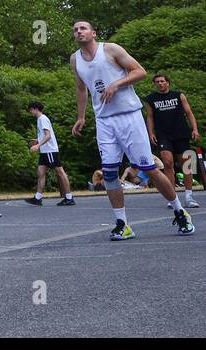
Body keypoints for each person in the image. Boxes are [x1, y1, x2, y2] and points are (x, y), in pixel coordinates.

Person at [70, 20, 194, 240]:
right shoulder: (75, 59)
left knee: (150, 169)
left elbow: (140, 72)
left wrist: (116, 84)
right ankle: (123, 223)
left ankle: (179, 210)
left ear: (93, 33)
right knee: (108, 172)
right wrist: (81, 117)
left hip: (129, 117)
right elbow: (81, 89)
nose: (78, 31)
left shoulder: (110, 49)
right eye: (75, 30)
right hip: (104, 121)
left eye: (82, 28)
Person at [143, 74, 201, 208]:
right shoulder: (150, 99)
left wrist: (195, 129)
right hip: (163, 135)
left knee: (186, 164)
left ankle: (189, 196)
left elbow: (189, 113)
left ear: (168, 83)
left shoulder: (179, 95)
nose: (160, 83)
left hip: (181, 133)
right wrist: (150, 133)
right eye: (157, 82)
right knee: (167, 162)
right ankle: (172, 197)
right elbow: (150, 117)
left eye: (162, 81)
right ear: (154, 84)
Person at [26, 101, 75, 206]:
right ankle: (37, 198)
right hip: (45, 151)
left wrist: (37, 146)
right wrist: (38, 140)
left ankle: (69, 198)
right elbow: (45, 135)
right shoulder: (40, 119)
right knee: (41, 173)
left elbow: (48, 136)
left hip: (50, 151)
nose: (30, 112)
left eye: (30, 110)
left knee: (60, 172)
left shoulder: (42, 119)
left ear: (35, 109)